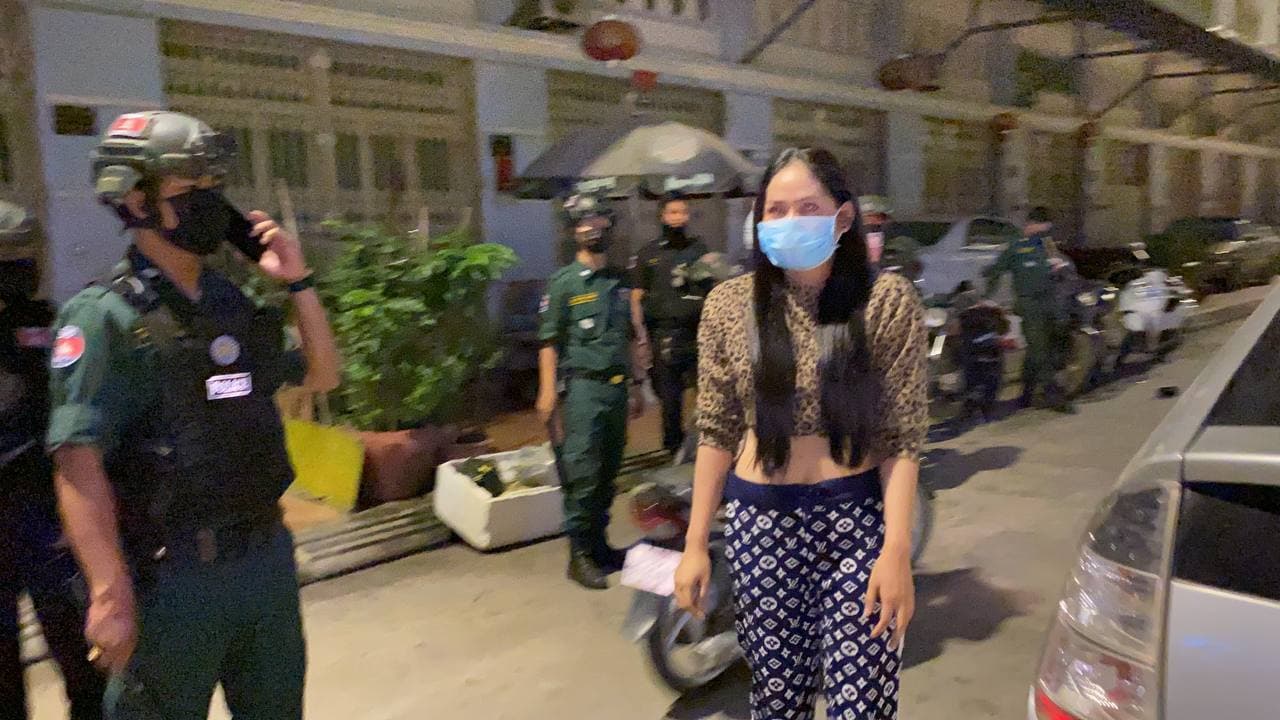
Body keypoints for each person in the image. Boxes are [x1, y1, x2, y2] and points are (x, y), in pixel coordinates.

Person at [46, 111, 341, 720]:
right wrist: (108, 592)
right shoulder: (104, 317)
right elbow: (77, 462)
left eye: (214, 186)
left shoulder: (228, 301)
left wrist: (298, 283)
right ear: (136, 200)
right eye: (191, 189)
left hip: (263, 561)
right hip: (174, 582)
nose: (211, 201)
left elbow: (322, 376)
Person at [673, 148, 927, 720]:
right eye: (776, 209)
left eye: (808, 207)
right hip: (762, 524)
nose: (790, 221)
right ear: (759, 220)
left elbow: (902, 434)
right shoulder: (728, 306)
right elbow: (716, 428)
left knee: (864, 703)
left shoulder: (886, 302)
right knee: (779, 700)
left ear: (843, 217)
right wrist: (694, 544)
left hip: (857, 523)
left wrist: (896, 550)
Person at [1, 208, 105, 720]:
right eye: (9, 258)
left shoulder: (49, 322)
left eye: (26, 255)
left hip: (47, 511)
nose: (21, 267)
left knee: (82, 654)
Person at [537, 193, 646, 590]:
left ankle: (600, 546)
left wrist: (638, 385)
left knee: (607, 472)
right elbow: (549, 342)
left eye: (599, 222)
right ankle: (579, 554)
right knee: (581, 473)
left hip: (617, 389)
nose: (593, 229)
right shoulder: (563, 283)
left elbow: (630, 337)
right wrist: (547, 391)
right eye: (585, 223)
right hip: (583, 390)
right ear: (574, 231)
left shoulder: (620, 282)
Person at [629, 195, 711, 457]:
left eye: (683, 212)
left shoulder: (698, 249)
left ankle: (710, 445)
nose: (678, 217)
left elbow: (713, 288)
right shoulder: (648, 253)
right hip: (663, 335)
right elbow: (636, 297)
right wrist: (641, 337)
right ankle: (673, 448)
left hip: (697, 333)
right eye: (673, 212)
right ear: (662, 216)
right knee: (669, 397)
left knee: (709, 393)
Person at [983, 206, 1075, 414]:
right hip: (1029, 304)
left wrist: (1060, 269)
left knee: (1042, 349)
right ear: (1032, 224)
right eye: (1043, 227)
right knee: (1039, 349)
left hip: (1050, 302)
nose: (1046, 231)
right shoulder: (1015, 246)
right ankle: (1053, 395)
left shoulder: (1046, 244)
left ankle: (1026, 392)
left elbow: (1061, 270)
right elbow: (996, 271)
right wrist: (986, 298)